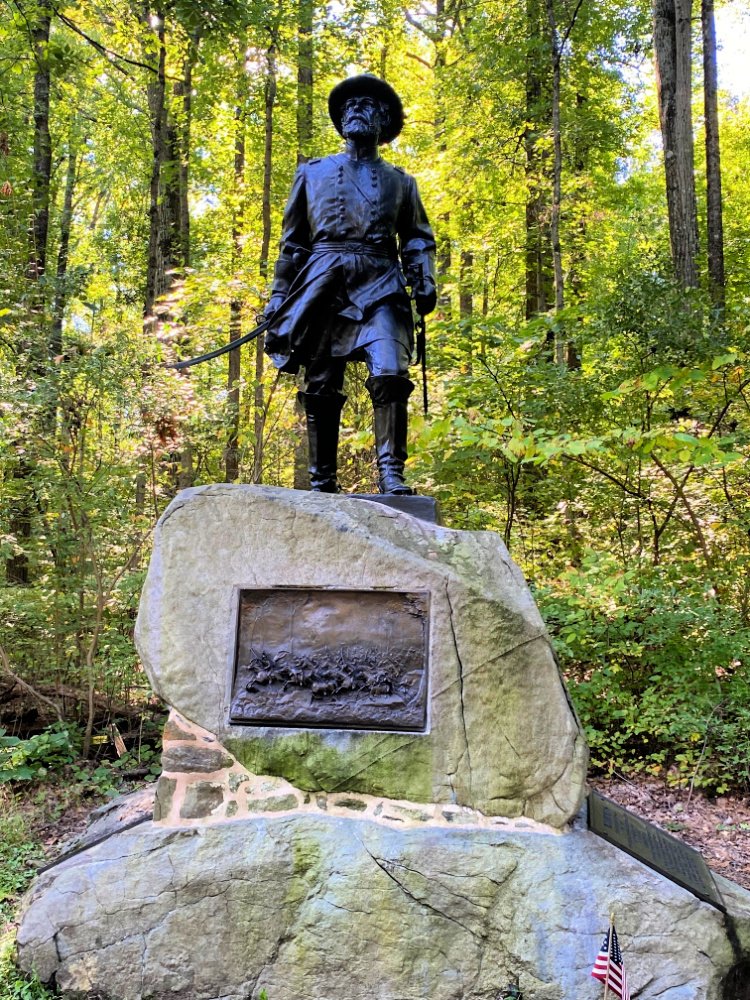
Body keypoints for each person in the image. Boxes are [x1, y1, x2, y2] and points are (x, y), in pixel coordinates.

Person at [264, 74, 437, 495]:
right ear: (340, 121)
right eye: (349, 106)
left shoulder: (402, 182)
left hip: (382, 281)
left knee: (392, 371)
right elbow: (293, 243)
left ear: (384, 121)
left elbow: (417, 236)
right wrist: (278, 296)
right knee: (321, 383)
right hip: (322, 283)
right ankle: (322, 482)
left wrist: (424, 276)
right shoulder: (312, 173)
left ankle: (391, 474)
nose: (356, 109)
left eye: (367, 105)